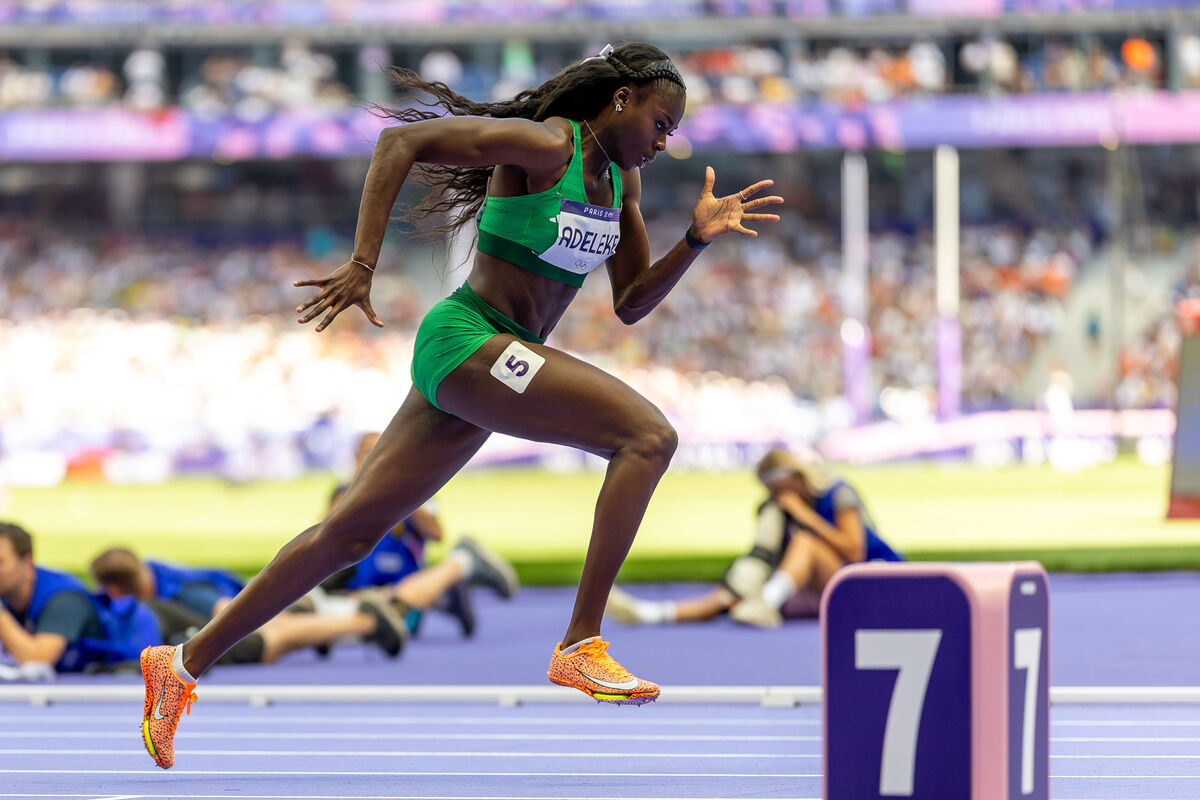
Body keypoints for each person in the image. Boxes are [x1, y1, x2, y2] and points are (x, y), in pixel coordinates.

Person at [139, 40, 781, 769]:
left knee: (347, 536)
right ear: (622, 98)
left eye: (674, 133)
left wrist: (694, 239)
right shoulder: (548, 146)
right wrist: (363, 263)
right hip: (470, 340)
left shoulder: (621, 185)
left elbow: (631, 302)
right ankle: (581, 642)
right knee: (648, 437)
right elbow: (399, 143)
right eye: (660, 124)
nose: (665, 142)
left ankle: (180, 664)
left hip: (494, 361)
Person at [606, 447, 904, 628]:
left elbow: (854, 551)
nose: (776, 497)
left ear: (796, 478)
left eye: (777, 490)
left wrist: (803, 514)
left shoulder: (838, 494)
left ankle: (766, 603)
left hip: (872, 583)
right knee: (730, 595)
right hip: (825, 584)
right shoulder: (784, 507)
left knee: (805, 544)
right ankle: (648, 613)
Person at [318, 432, 519, 640]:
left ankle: (457, 568)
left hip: (405, 583)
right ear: (356, 456)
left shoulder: (416, 488)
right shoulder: (343, 492)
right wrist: (358, 487)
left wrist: (400, 491)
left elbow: (436, 533)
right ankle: (445, 593)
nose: (374, 460)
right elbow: (324, 539)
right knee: (352, 620)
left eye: (380, 453)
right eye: (368, 453)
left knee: (382, 620)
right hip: (361, 588)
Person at [91, 547, 408, 664]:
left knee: (266, 632)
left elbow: (237, 614)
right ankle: (363, 613)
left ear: (116, 588)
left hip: (271, 602)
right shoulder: (155, 574)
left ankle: (367, 619)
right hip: (266, 595)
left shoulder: (181, 591)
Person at [0, 522, 160, 675]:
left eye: (0, 562)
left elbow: (37, 662)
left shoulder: (64, 599)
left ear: (27, 562)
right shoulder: (9, 594)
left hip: (118, 679)